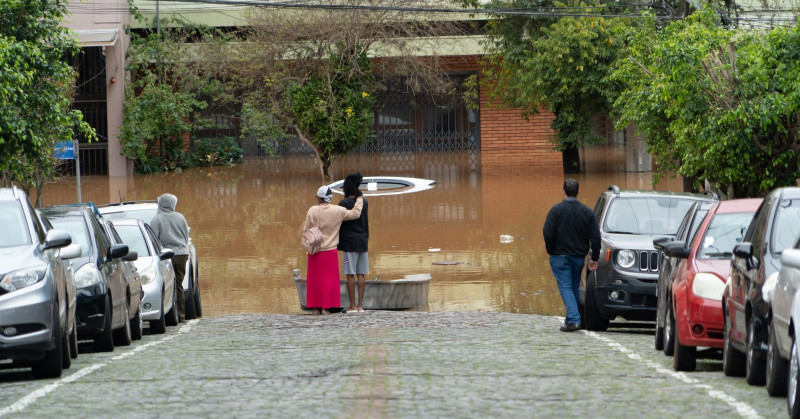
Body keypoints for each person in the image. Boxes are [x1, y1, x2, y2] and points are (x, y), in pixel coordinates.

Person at [542, 179, 601, 332]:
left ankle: (574, 320)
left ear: (564, 191)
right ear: (578, 192)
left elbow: (547, 232)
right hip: (578, 258)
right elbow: (595, 237)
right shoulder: (587, 212)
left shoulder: (556, 210)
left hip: (560, 256)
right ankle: (572, 318)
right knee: (574, 286)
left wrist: (551, 250)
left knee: (566, 287)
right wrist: (594, 257)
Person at [303, 185, 363, 315]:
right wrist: (359, 199)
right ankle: (325, 308)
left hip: (315, 251)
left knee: (315, 281)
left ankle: (315, 308)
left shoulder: (312, 210)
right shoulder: (338, 210)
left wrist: (308, 247)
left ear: (319, 198)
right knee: (328, 281)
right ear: (330, 198)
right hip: (330, 251)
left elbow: (306, 230)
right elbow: (355, 214)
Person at [150, 193, 190, 322]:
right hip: (182, 255)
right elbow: (185, 236)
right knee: (178, 284)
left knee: (166, 285)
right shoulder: (181, 217)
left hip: (166, 256)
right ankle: (181, 315)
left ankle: (168, 316)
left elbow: (153, 240)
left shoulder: (157, 219)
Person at [337, 173, 369, 313]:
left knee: (350, 274)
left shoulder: (343, 204)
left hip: (350, 243)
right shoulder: (364, 202)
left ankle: (352, 305)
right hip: (362, 241)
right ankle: (360, 306)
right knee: (361, 273)